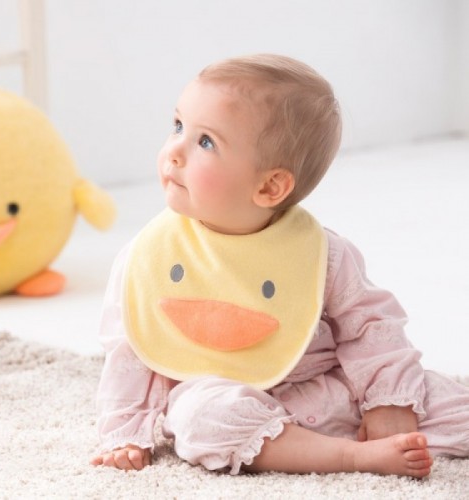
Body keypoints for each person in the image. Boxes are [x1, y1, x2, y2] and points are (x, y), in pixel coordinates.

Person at [90, 54, 469, 478]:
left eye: (205, 142)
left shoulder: (323, 254)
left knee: (440, 400)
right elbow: (131, 351)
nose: (174, 152)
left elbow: (370, 325)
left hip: (332, 390)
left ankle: (353, 438)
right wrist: (125, 434)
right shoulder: (150, 255)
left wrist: (389, 402)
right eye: (178, 126)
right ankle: (351, 456)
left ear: (270, 186)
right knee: (199, 419)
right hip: (227, 401)